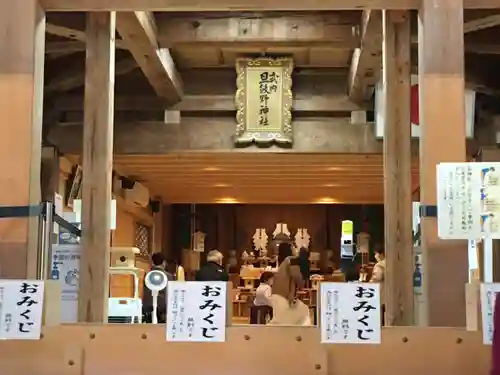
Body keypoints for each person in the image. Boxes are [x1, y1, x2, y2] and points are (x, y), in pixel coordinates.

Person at [268, 242, 311, 326]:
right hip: (282, 295)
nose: (295, 249)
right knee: (282, 321)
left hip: (278, 294)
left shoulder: (285, 261)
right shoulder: (291, 260)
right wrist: (302, 283)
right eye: (293, 247)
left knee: (282, 319)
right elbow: (296, 274)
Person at [142, 252, 173, 323]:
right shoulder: (168, 276)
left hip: (148, 307)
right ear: (164, 263)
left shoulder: (147, 275)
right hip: (163, 308)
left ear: (152, 262)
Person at [370, 246, 386, 324]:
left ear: (381, 254)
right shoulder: (390, 263)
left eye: (376, 254)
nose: (375, 256)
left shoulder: (379, 265)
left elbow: (378, 277)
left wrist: (371, 281)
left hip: (381, 290)